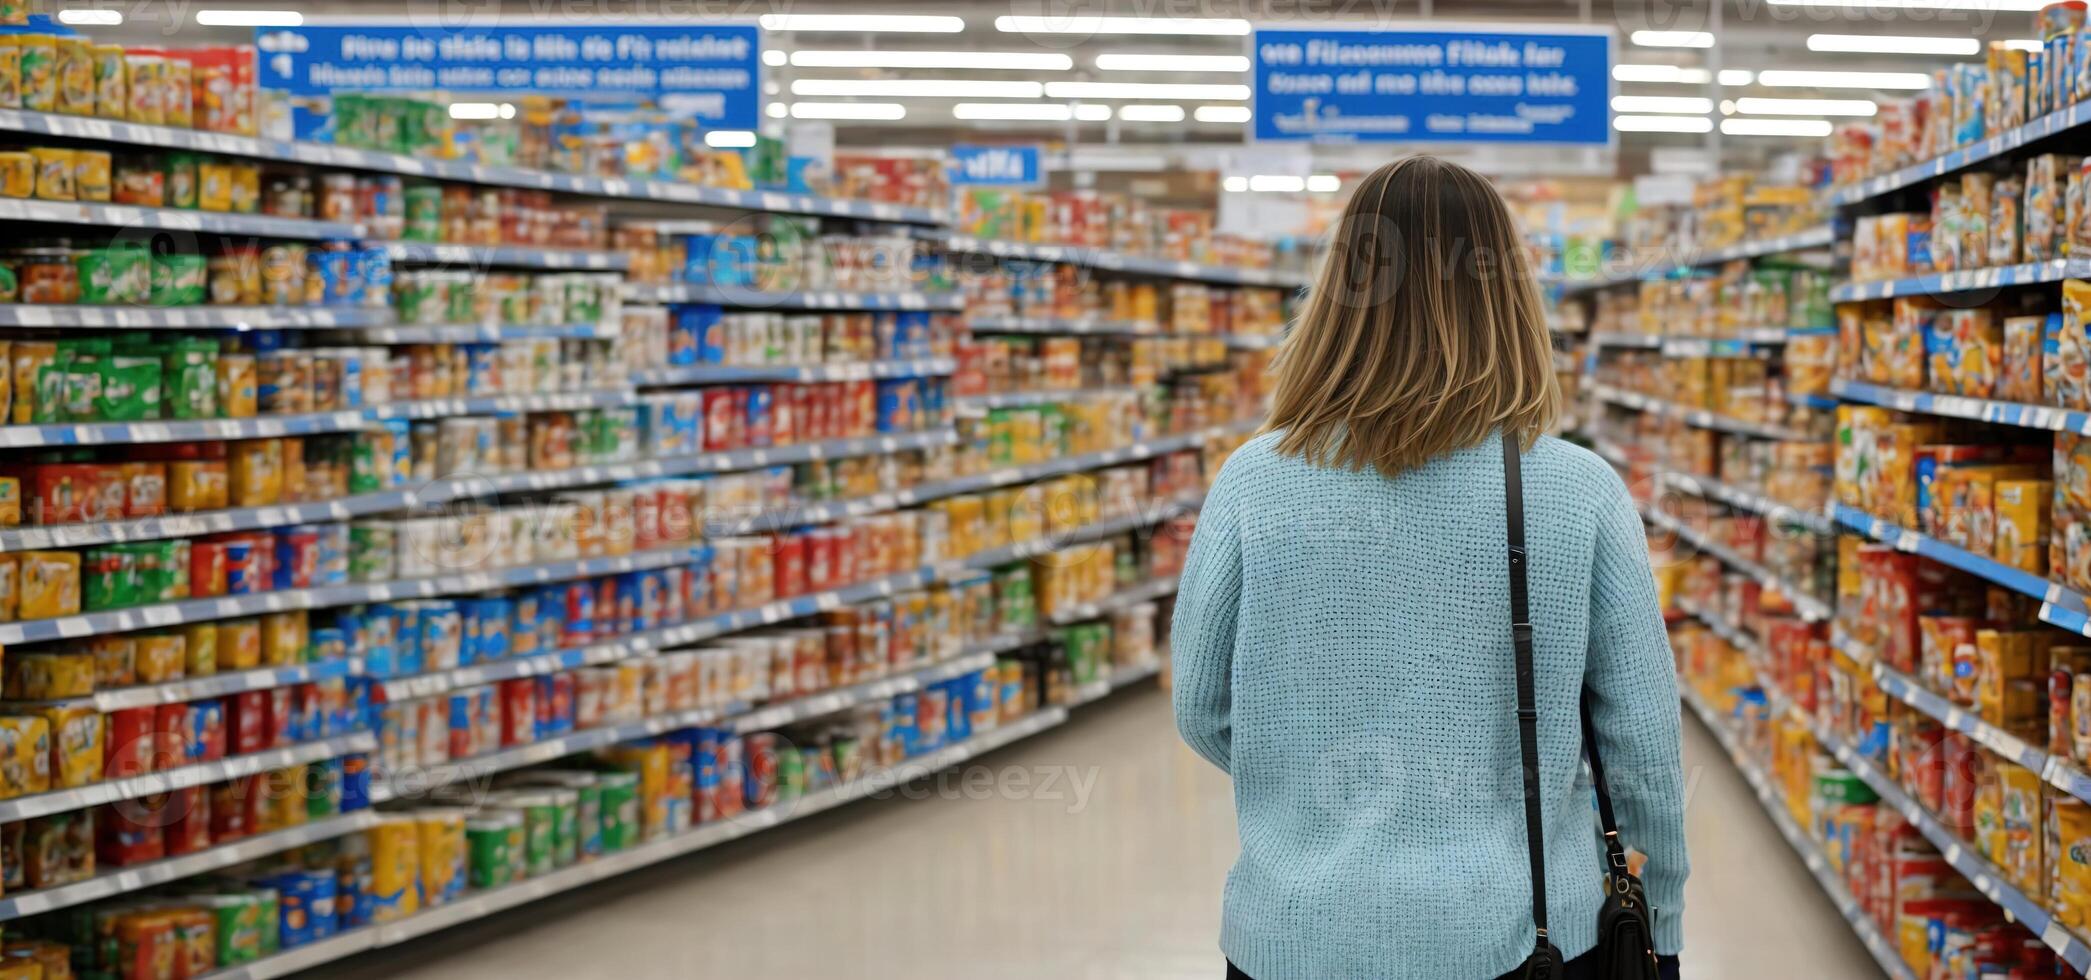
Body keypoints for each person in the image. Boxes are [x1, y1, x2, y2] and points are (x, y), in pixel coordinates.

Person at [1171, 156, 1688, 980]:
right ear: (1508, 296)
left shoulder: (1253, 480)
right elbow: (1641, 750)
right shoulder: (1575, 489)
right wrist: (1658, 921)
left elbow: (1203, 710)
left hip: (1295, 933)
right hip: (1524, 935)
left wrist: (1327, 778)